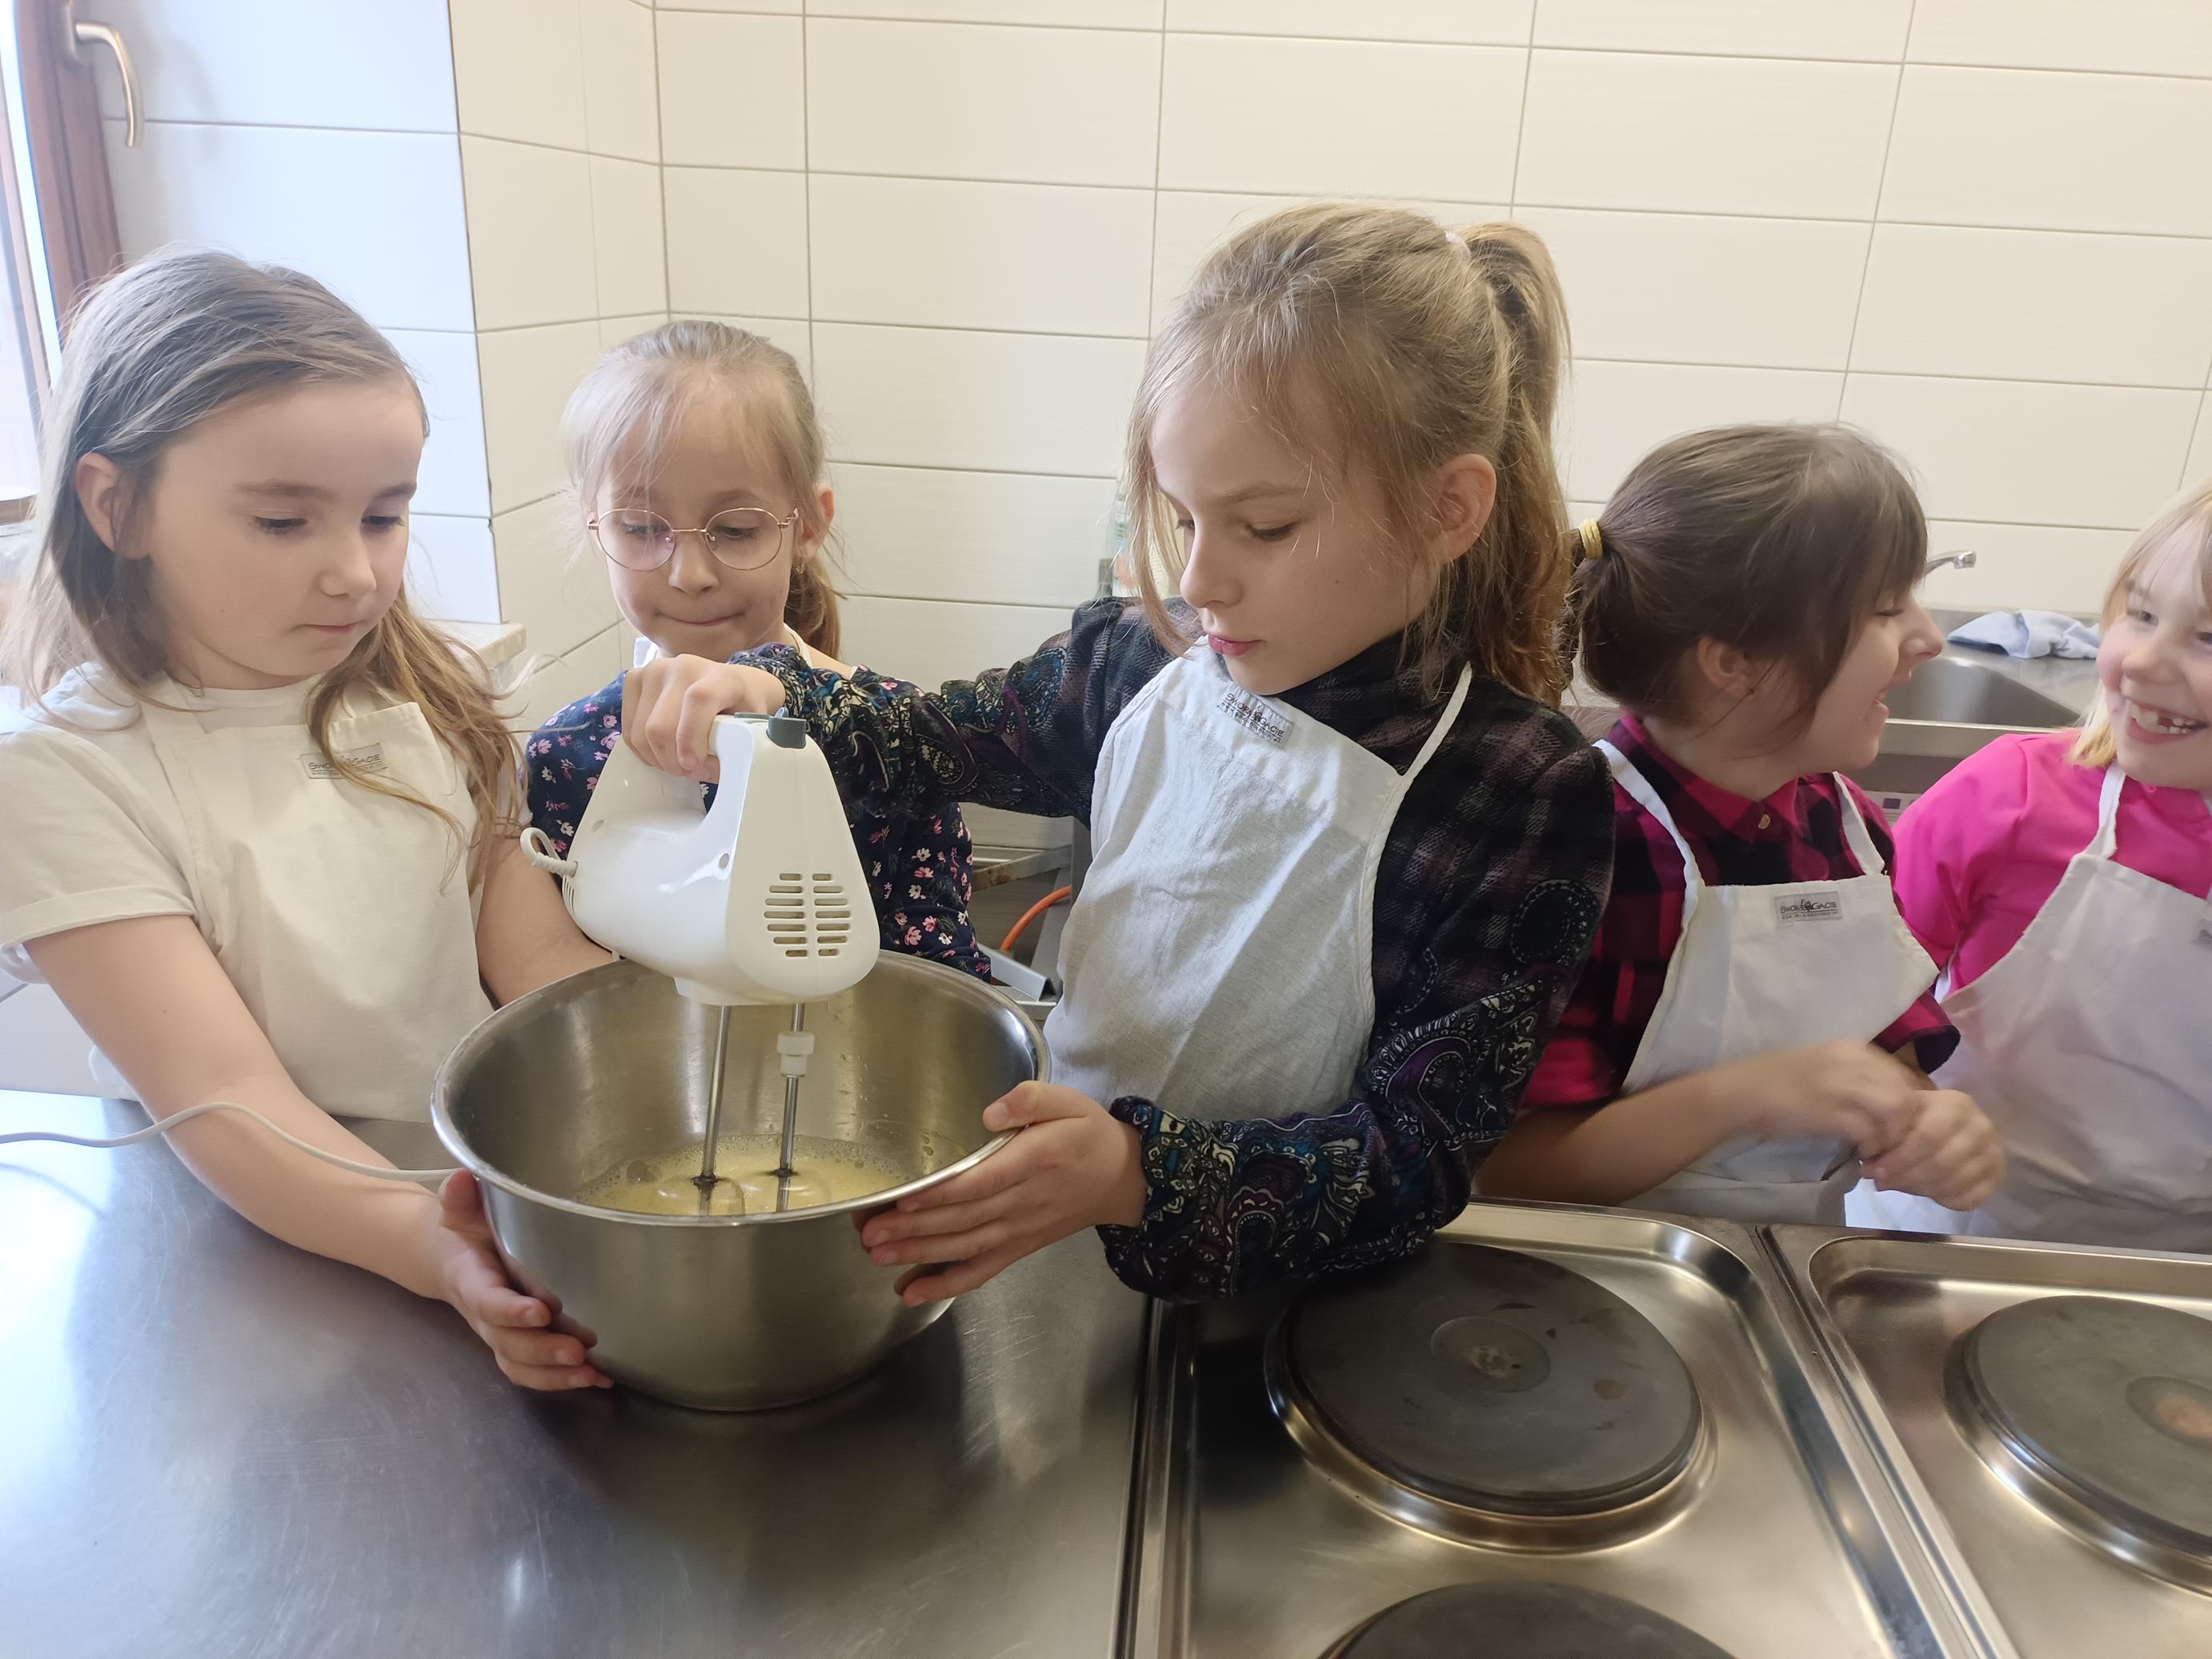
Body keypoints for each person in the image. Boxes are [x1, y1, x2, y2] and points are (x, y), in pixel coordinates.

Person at [620, 204, 1616, 1303]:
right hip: (1055, 1225)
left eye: (1265, 527)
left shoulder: (1514, 792)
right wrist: (778, 690)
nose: (1198, 581)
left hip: (1296, 1316)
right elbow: (940, 735)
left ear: (1447, 509)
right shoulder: (1146, 661)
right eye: (1182, 518)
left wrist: (1141, 1175)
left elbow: (1415, 1158)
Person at [0, 251, 614, 1389]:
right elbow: (230, 1100)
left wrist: (676, 1077)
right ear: (116, 506)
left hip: (464, 1214)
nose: (355, 574)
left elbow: (538, 962)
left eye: (384, 516)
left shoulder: (420, 697)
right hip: (258, 1274)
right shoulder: (69, 779)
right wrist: (430, 1244)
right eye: (284, 522)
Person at [1480, 425, 2002, 1224]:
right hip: (1598, 1272)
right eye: (1887, 609)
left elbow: (1884, 1045)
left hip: (1790, 1260)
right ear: (1736, 664)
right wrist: (1750, 1095)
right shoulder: (1580, 845)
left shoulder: (1845, 826)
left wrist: (1926, 1120)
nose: (1929, 640)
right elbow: (1512, 1168)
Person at [523, 321, 987, 978]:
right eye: (642, 527)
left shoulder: (885, 743)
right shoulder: (566, 757)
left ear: (809, 526)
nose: (689, 574)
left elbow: (939, 982)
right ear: (595, 525)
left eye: (736, 530)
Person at [1866, 483, 2212, 1250]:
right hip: (1951, 1241)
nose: (2143, 661)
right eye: (2141, 614)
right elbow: (1852, 1006)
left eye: (2209, 638)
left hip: (2185, 1276)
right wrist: (1908, 1104)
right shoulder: (2011, 794)